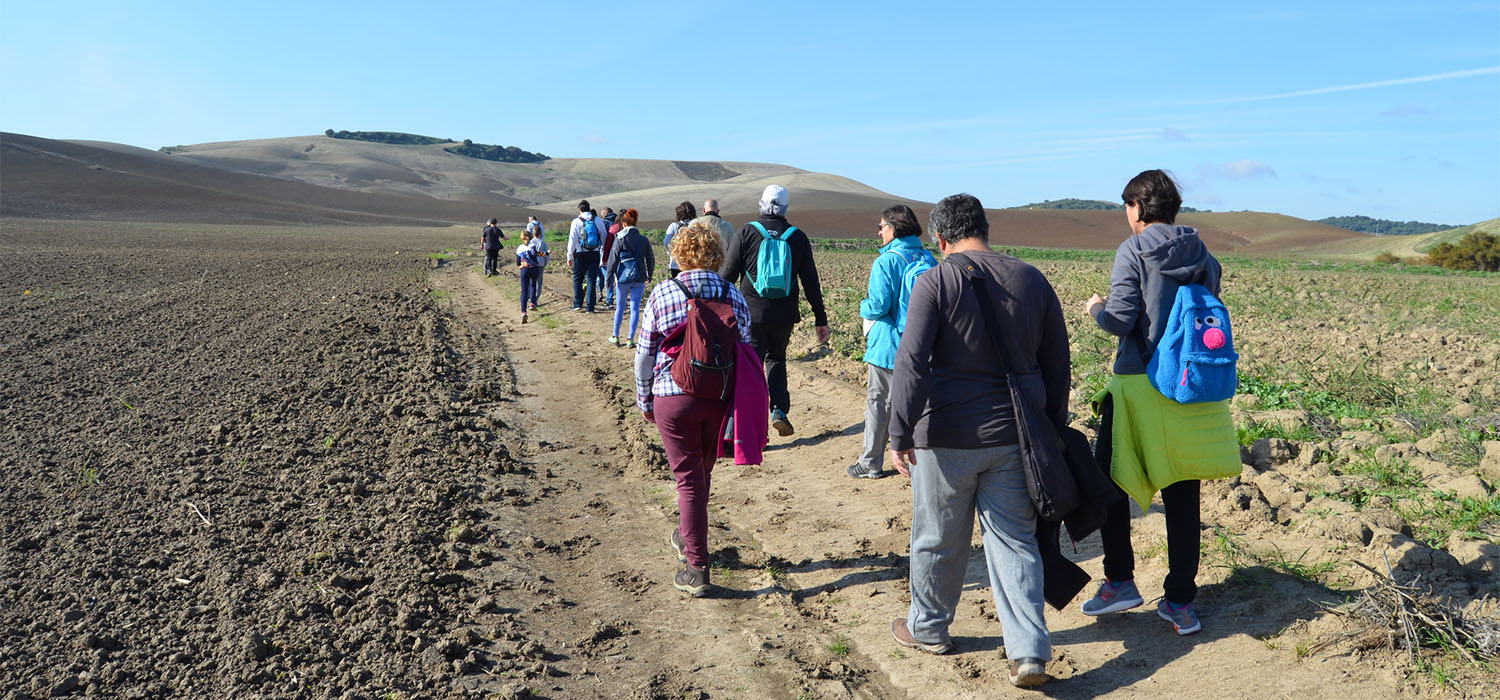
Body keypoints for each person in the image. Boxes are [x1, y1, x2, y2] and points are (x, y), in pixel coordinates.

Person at [886, 193, 1070, 689]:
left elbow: (911, 363)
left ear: (939, 238)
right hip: (1015, 436)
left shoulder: (935, 281)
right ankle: (1028, 651)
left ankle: (928, 627)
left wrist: (898, 433)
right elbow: (1057, 362)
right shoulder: (1031, 278)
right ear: (985, 229)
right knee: (1014, 541)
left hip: (945, 437)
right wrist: (1050, 424)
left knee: (938, 538)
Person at [1078, 169, 1238, 636]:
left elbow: (1122, 319)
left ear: (1136, 207)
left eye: (1126, 207)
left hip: (1139, 384)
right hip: (1189, 384)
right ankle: (1181, 602)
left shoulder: (1135, 249)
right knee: (1184, 494)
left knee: (1107, 479)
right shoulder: (1203, 254)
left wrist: (1095, 309)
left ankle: (1120, 581)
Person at [635, 221, 753, 596]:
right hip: (718, 398)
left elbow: (644, 355)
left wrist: (644, 398)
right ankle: (689, 537)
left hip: (673, 397)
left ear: (679, 253)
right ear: (717, 255)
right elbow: (746, 352)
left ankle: (697, 567)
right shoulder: (733, 294)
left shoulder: (663, 293)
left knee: (688, 480)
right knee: (700, 476)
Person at [719, 184, 830, 437]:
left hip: (751, 314)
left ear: (762, 204)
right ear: (785, 208)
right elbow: (811, 282)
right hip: (784, 316)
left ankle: (739, 428)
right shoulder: (797, 237)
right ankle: (779, 410)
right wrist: (820, 318)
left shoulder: (746, 232)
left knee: (751, 368)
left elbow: (728, 275)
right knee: (777, 359)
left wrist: (716, 309)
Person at [848, 205, 933, 479]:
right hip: (922, 346)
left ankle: (870, 463)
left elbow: (878, 305)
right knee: (916, 406)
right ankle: (923, 465)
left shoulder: (886, 261)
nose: (879, 230)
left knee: (879, 403)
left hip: (888, 347)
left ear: (894, 228)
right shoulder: (929, 258)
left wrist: (862, 307)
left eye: (882, 226)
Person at [604, 208, 655, 347]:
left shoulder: (620, 239)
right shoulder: (643, 240)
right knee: (635, 308)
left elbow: (612, 261)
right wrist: (649, 275)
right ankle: (630, 339)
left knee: (620, 307)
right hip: (639, 277)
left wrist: (608, 279)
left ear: (624, 223)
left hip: (623, 278)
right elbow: (650, 259)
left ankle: (615, 336)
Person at [566, 200, 606, 312]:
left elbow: (572, 239)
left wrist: (569, 256)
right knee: (591, 279)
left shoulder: (576, 221)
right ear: (589, 208)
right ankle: (590, 306)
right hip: (595, 253)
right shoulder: (597, 220)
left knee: (577, 278)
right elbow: (604, 236)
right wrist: (603, 252)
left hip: (580, 254)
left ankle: (578, 303)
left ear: (579, 210)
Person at [662, 202, 697, 279]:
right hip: (693, 264)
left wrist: (673, 254)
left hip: (676, 265)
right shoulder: (696, 225)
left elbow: (666, 242)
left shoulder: (674, 226)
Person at [516, 229, 543, 324]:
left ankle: (523, 312)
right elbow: (537, 255)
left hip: (525, 269)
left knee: (524, 291)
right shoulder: (533, 246)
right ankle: (532, 303)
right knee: (533, 285)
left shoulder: (519, 248)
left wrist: (523, 262)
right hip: (534, 268)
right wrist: (546, 253)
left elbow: (517, 262)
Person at [526, 222, 549, 310]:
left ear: (532, 233)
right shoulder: (543, 243)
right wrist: (545, 262)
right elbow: (547, 255)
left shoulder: (529, 243)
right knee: (539, 282)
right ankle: (535, 300)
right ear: (540, 234)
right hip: (540, 264)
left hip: (531, 264)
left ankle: (530, 299)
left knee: (531, 282)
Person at [601, 211, 622, 310]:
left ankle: (609, 300)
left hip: (612, 257)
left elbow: (608, 245)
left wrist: (604, 258)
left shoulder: (613, 229)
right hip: (625, 260)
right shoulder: (631, 229)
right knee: (620, 281)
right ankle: (621, 301)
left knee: (608, 278)